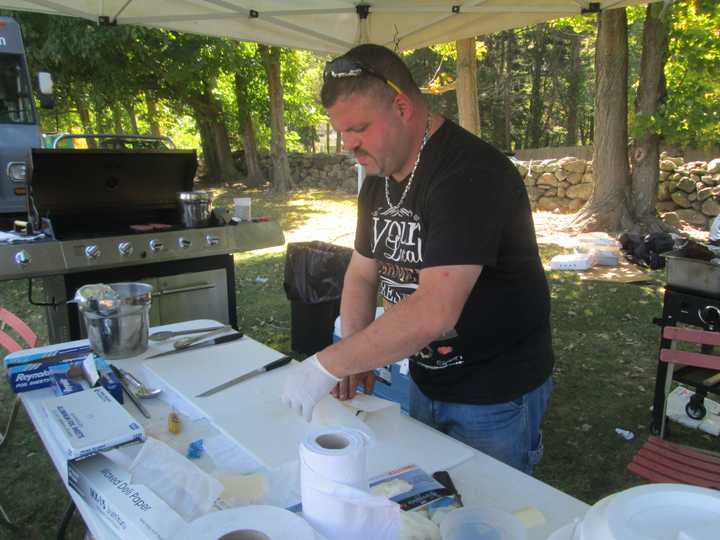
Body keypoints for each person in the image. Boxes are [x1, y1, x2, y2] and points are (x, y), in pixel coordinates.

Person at [281, 44, 554, 475]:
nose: (349, 145)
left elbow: (435, 312)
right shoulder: (378, 179)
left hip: (494, 389)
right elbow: (361, 275)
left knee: (490, 508)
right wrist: (357, 355)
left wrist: (328, 364)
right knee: (432, 499)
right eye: (342, 133)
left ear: (403, 107)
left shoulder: (469, 173)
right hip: (424, 378)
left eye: (359, 128)